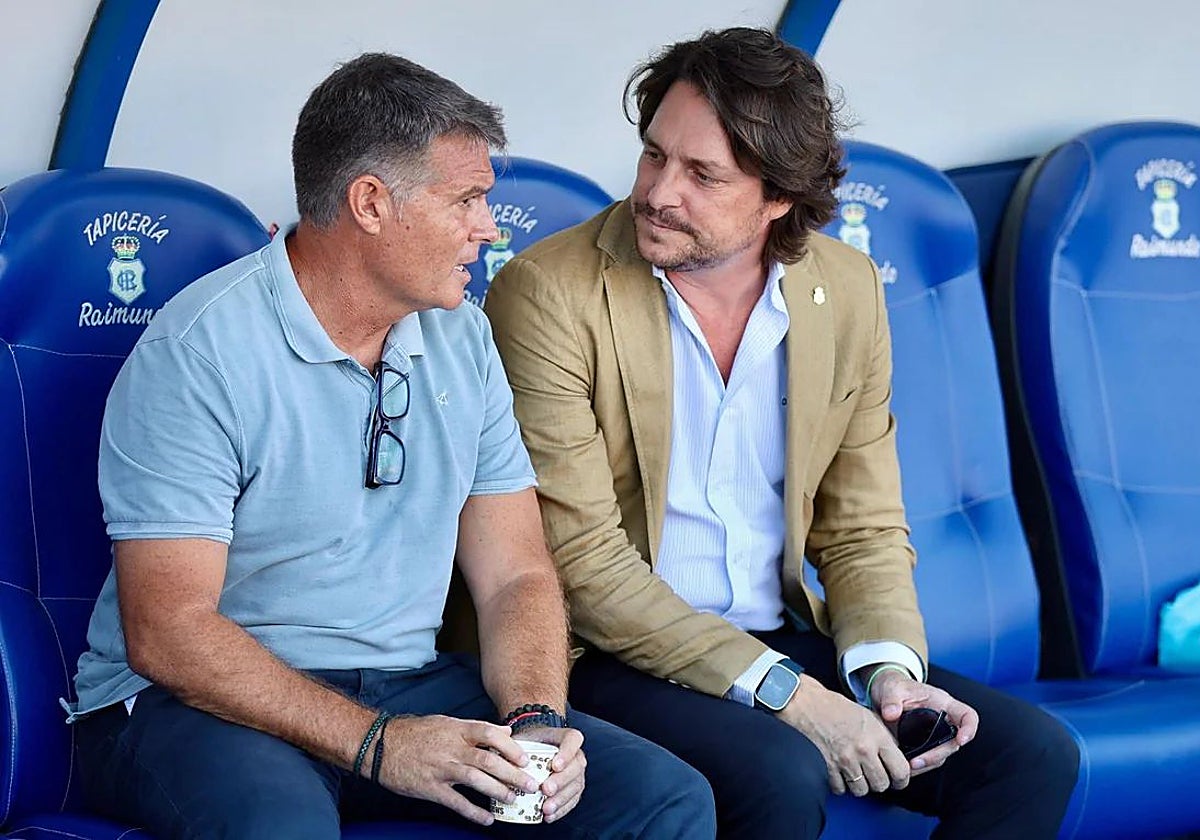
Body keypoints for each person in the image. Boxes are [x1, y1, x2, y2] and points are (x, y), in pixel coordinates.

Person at [66, 52, 716, 840]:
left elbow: (515, 573)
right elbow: (170, 631)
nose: (489, 227)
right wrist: (379, 745)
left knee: (663, 799)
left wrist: (537, 722)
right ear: (370, 202)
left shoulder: (463, 337)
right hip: (201, 703)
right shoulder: (200, 351)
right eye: (467, 200)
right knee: (281, 826)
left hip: (405, 686)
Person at [484, 27, 1080, 839]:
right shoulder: (549, 293)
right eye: (654, 155)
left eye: (702, 175)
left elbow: (863, 527)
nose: (658, 192)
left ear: (779, 197)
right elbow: (583, 566)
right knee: (780, 770)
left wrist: (888, 675)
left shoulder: (848, 288)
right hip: (611, 653)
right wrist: (795, 698)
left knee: (1033, 755)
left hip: (779, 636)